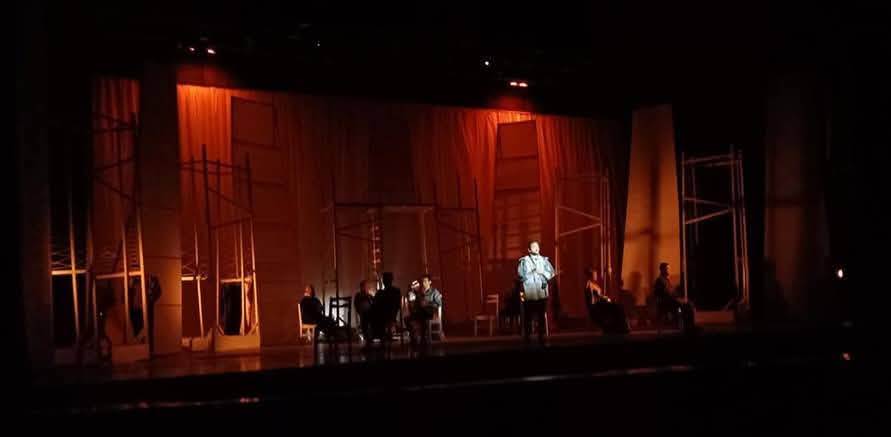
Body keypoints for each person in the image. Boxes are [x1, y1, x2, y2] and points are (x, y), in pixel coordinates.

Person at [517, 240, 555, 344]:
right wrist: (530, 273)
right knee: (528, 316)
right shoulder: (524, 261)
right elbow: (520, 275)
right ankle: (527, 337)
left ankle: (541, 337)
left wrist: (543, 273)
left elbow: (551, 273)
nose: (536, 248)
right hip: (529, 294)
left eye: (537, 246)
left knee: (541, 316)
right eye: (533, 246)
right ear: (529, 250)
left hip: (541, 293)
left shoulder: (544, 260)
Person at [584, 267, 630, 334]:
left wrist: (606, 298)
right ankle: (619, 327)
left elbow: (600, 295)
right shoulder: (589, 284)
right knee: (615, 307)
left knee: (617, 306)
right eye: (594, 275)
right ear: (591, 275)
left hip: (600, 303)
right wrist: (605, 299)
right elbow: (593, 297)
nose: (596, 276)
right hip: (596, 305)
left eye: (596, 274)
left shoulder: (594, 284)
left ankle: (620, 326)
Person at [652, 262, 696, 332]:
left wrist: (679, 297)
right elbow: (665, 294)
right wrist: (678, 299)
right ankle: (687, 326)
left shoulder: (666, 280)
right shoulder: (660, 280)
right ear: (662, 270)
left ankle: (689, 325)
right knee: (684, 306)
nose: (669, 270)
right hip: (666, 303)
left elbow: (672, 292)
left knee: (689, 304)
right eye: (667, 269)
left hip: (672, 301)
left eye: (669, 269)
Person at [406, 274, 443, 347]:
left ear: (430, 282)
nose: (423, 283)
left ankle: (422, 338)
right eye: (422, 281)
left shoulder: (434, 291)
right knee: (407, 319)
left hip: (429, 312)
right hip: (420, 312)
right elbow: (414, 301)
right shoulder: (419, 292)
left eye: (425, 281)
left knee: (422, 315)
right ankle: (413, 337)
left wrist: (428, 303)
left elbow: (439, 304)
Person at [370, 272, 402, 341]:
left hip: (386, 314)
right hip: (389, 313)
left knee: (370, 315)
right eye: (384, 279)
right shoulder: (395, 291)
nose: (384, 281)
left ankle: (377, 335)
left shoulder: (384, 292)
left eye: (385, 279)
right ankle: (379, 334)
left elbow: (375, 303)